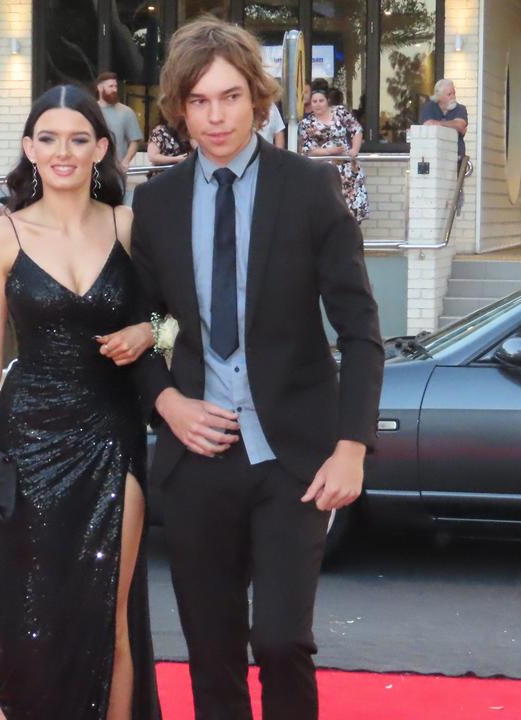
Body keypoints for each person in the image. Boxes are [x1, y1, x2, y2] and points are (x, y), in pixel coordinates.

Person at [129, 17, 384, 718]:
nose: (216, 116)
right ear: (180, 107)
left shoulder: (306, 189)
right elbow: (153, 326)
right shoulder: (155, 202)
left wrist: (352, 447)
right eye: (200, 100)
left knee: (278, 642)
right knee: (211, 655)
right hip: (196, 455)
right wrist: (167, 402)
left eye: (231, 97)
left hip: (291, 457)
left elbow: (361, 330)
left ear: (258, 99)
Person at [0, 83, 159, 719]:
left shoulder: (130, 224)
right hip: (30, 438)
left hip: (112, 430)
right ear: (27, 148)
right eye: (48, 138)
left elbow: (180, 317)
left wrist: (151, 331)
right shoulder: (0, 236)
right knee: (35, 616)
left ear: (102, 148)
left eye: (77, 138)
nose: (62, 151)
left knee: (110, 612)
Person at [300, 87, 370, 223]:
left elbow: (356, 129)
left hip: (347, 169)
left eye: (321, 100)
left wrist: (354, 150)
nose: (318, 104)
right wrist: (329, 151)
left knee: (351, 212)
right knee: (328, 211)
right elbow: (307, 149)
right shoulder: (306, 124)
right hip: (324, 172)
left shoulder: (340, 112)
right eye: (314, 101)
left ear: (327, 101)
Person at [96, 72, 143, 174]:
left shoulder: (126, 112)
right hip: (93, 169)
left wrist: (125, 162)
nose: (114, 90)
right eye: (111, 86)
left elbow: (134, 141)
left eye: (116, 86)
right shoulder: (91, 110)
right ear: (100, 87)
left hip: (117, 171)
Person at [420, 78, 469, 161]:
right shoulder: (429, 107)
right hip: (433, 155)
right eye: (449, 94)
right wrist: (453, 125)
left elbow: (460, 125)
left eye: (454, 93)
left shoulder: (460, 108)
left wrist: (437, 123)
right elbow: (427, 125)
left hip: (455, 156)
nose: (453, 97)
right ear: (439, 96)